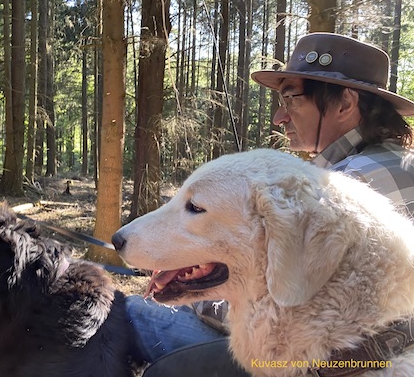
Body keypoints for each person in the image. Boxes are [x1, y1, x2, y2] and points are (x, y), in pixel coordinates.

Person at [128, 32, 414, 376]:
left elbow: (285, 304)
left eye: (292, 100)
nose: (280, 116)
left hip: (324, 359)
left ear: (345, 104)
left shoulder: (345, 191)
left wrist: (188, 285)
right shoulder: (398, 162)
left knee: (128, 313)